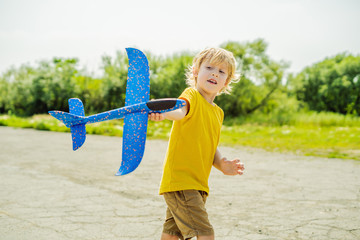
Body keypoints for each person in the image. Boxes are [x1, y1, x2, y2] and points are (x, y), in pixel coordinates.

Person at [149, 47, 245, 240]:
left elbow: (209, 143)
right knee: (205, 234)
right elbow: (180, 110)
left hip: (198, 183)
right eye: (209, 67)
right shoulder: (192, 95)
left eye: (221, 71)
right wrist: (165, 113)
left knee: (171, 234)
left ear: (226, 81)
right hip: (182, 182)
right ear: (195, 71)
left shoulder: (218, 113)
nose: (214, 73)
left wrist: (222, 164)